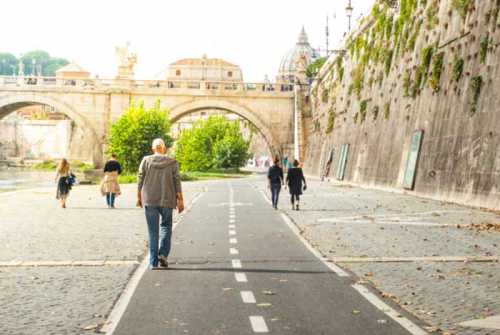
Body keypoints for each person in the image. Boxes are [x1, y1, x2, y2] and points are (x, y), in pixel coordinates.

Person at [137, 138, 184, 270]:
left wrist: (138, 197)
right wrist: (180, 200)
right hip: (167, 199)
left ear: (153, 148)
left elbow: (140, 178)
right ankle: (163, 254)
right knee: (166, 227)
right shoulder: (172, 162)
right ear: (163, 148)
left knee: (152, 231)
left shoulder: (146, 161)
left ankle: (153, 263)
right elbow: (177, 181)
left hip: (150, 199)